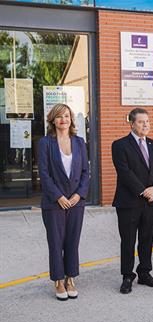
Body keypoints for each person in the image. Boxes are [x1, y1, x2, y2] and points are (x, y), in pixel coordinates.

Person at [38, 104, 90, 300]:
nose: (63, 120)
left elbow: (86, 172)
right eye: (59, 116)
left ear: (71, 119)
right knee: (56, 242)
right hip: (54, 202)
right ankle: (58, 281)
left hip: (76, 201)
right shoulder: (45, 143)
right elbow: (43, 174)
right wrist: (58, 196)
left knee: (72, 242)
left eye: (66, 116)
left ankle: (70, 279)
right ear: (53, 120)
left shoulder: (79, 142)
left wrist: (79, 195)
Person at [112, 108, 153, 294]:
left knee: (146, 239)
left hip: (150, 202)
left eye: (148, 122)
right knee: (128, 241)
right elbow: (125, 173)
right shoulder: (119, 145)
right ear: (132, 123)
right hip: (128, 202)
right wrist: (144, 191)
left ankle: (144, 273)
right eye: (142, 122)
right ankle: (127, 276)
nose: (146, 125)